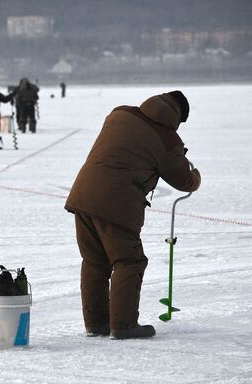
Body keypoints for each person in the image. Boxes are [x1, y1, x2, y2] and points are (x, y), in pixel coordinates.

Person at [65, 91, 201, 340]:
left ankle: (96, 324)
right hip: (117, 204)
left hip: (82, 195)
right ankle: (124, 325)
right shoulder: (168, 139)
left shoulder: (120, 113)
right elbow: (184, 180)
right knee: (129, 261)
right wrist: (196, 176)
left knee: (95, 261)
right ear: (178, 118)